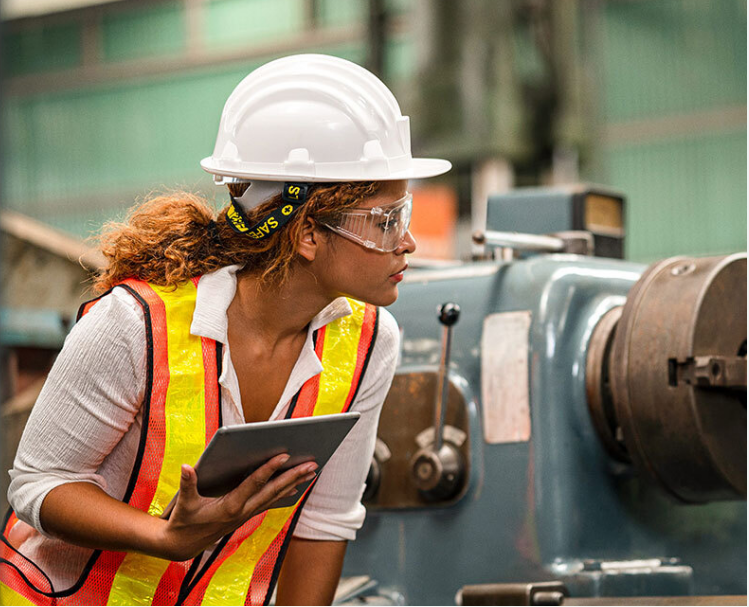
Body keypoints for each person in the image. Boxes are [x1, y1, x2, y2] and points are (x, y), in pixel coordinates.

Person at [0, 54, 451, 606]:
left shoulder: (368, 342)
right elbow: (37, 484)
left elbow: (324, 524)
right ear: (308, 233)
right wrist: (166, 537)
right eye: (386, 221)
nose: (407, 243)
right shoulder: (136, 323)